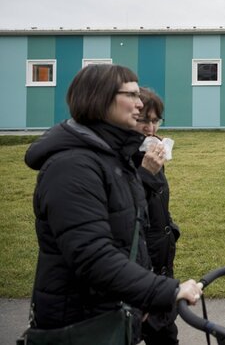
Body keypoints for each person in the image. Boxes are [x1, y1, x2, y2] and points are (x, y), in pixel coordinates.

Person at [24, 64, 202, 344]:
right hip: (81, 326)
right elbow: (93, 256)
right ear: (99, 98)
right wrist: (162, 291)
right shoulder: (72, 166)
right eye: (131, 94)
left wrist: (138, 301)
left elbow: (129, 240)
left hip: (111, 314)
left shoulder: (113, 159)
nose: (140, 103)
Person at [132, 87, 180, 345]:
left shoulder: (151, 153)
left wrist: (170, 230)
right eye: (143, 120)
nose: (150, 128)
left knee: (165, 335)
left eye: (155, 120)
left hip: (160, 264)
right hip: (138, 269)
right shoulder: (122, 159)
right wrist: (145, 173)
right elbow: (126, 208)